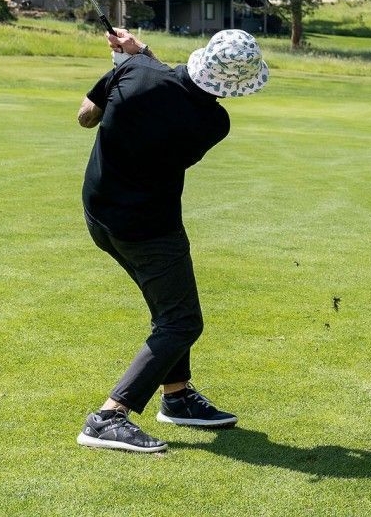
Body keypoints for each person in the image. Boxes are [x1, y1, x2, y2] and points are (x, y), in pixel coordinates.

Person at [74, 27, 268, 453]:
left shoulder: (135, 73)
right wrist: (138, 57)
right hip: (149, 230)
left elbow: (86, 117)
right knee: (182, 321)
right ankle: (108, 417)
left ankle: (177, 396)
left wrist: (123, 66)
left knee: (169, 310)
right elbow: (176, 95)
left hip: (100, 215)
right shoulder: (214, 123)